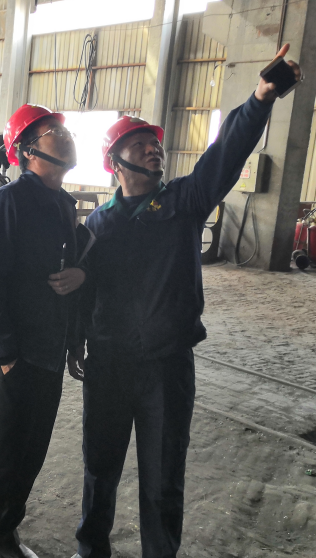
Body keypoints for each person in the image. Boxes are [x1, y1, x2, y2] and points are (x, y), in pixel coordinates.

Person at [71, 45, 302, 558]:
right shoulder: (99, 224)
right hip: (108, 363)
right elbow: (86, 290)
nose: (153, 149)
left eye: (155, 144)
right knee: (99, 465)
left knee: (162, 474)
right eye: (139, 145)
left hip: (166, 365)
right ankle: (90, 548)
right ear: (115, 162)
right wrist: (76, 343)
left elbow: (225, 156)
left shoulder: (183, 202)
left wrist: (260, 99)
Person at [0, 104, 90, 558]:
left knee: (30, 455)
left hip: (50, 352)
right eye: (53, 130)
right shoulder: (8, 202)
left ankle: (4, 536)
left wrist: (73, 340)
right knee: (0, 461)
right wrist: (6, 355)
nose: (65, 135)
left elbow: (68, 276)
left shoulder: (62, 204)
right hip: (17, 355)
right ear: (27, 150)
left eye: (65, 129)